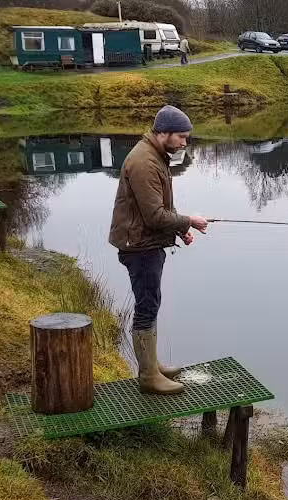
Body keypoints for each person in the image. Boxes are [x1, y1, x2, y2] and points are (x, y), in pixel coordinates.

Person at [109, 105, 209, 395]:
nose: (184, 143)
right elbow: (154, 216)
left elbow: (161, 207)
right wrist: (188, 219)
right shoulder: (144, 162)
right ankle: (149, 377)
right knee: (147, 304)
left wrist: (181, 229)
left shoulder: (156, 155)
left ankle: (152, 366)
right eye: (181, 137)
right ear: (162, 132)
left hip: (146, 242)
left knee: (151, 301)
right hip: (138, 245)